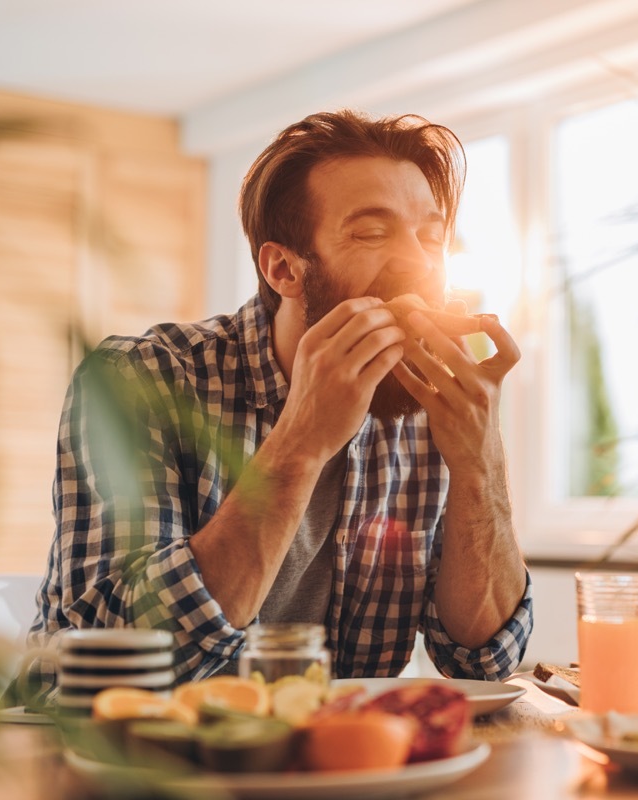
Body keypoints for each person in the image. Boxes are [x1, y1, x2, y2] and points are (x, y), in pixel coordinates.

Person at [28, 110, 533, 685]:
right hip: (115, 757)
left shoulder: (428, 407)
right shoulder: (139, 380)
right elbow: (107, 663)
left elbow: (483, 659)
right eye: (371, 232)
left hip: (331, 763)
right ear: (284, 269)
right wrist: (302, 439)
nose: (418, 262)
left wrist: (481, 461)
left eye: (432, 237)